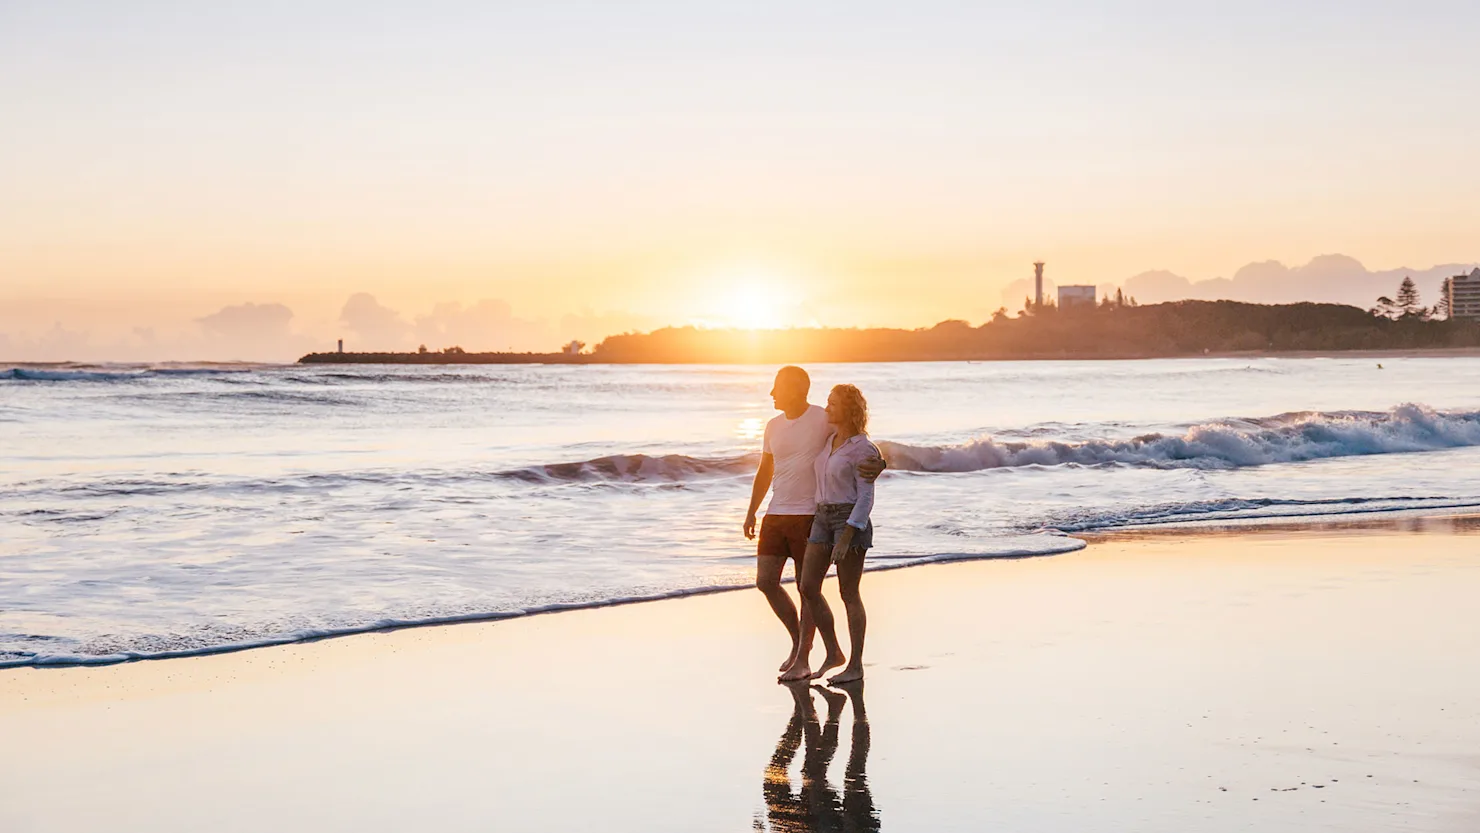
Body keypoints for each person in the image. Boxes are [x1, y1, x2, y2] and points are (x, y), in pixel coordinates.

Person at [745, 367, 884, 680]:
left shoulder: (823, 418)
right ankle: (804, 646)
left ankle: (810, 658)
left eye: (777, 387)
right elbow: (765, 469)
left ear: (796, 389)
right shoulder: (777, 426)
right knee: (769, 582)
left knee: (817, 589)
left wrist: (881, 463)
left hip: (813, 514)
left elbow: (861, 446)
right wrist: (752, 510)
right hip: (784, 513)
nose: (771, 394)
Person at [794, 384, 877, 686]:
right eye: (827, 403)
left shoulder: (863, 448)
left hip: (849, 519)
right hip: (822, 517)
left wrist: (846, 538)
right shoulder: (829, 438)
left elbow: (866, 498)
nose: (827, 408)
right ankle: (834, 653)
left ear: (849, 410)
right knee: (808, 587)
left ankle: (855, 665)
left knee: (849, 593)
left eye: (833, 404)